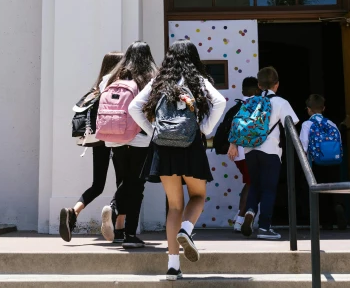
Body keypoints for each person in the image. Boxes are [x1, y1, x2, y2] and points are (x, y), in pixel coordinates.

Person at [129, 40, 226, 281]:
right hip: (190, 145)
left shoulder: (159, 81)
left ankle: (173, 266)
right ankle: (187, 229)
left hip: (163, 147)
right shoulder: (199, 81)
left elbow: (134, 107)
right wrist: (204, 128)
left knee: (174, 206)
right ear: (193, 58)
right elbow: (220, 102)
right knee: (198, 196)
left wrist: (153, 130)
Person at [59, 51, 123, 243]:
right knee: (124, 181)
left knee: (98, 184)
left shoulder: (97, 87)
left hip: (98, 138)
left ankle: (74, 211)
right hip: (118, 137)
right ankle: (118, 225)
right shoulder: (119, 84)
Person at [228, 66, 298, 240]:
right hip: (271, 151)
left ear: (259, 85)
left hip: (250, 150)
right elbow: (292, 125)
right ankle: (265, 228)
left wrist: (234, 144)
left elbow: (237, 123)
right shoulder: (281, 102)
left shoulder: (251, 101)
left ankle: (250, 212)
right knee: (268, 189)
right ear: (277, 84)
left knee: (255, 185)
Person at [100, 42, 158, 249]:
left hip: (115, 137)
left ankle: (116, 219)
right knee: (137, 185)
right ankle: (129, 234)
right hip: (140, 138)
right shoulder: (150, 78)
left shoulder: (110, 78)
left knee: (124, 181)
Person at [299, 94, 347, 230]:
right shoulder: (331, 124)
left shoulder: (307, 124)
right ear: (324, 108)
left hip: (316, 163)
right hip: (334, 162)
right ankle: (339, 205)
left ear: (308, 109)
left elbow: (303, 145)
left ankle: (326, 222)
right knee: (334, 189)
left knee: (320, 192)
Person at [222, 76, 260, 232]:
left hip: (238, 154)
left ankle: (240, 218)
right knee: (252, 184)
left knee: (250, 183)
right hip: (251, 152)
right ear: (257, 90)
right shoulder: (258, 104)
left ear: (243, 90)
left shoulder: (237, 107)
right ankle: (241, 219)